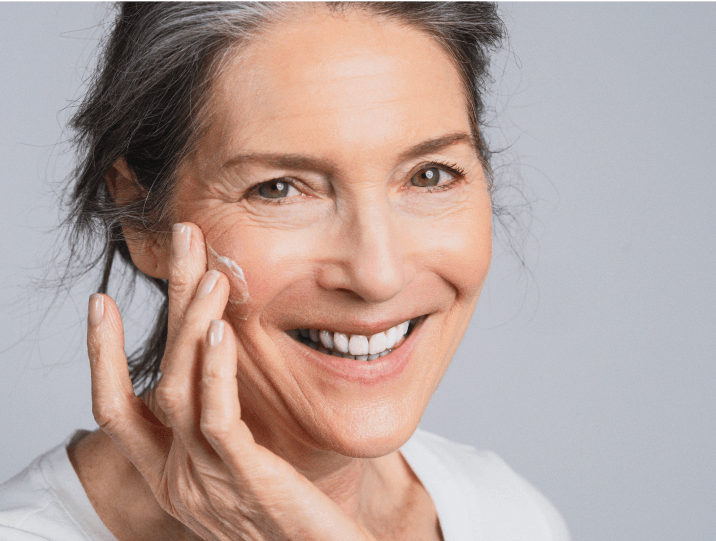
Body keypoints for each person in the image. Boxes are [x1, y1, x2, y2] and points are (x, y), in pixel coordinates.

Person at [0, 2, 570, 540]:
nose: (378, 276)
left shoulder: (506, 512)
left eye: (430, 175)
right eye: (278, 189)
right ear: (145, 223)